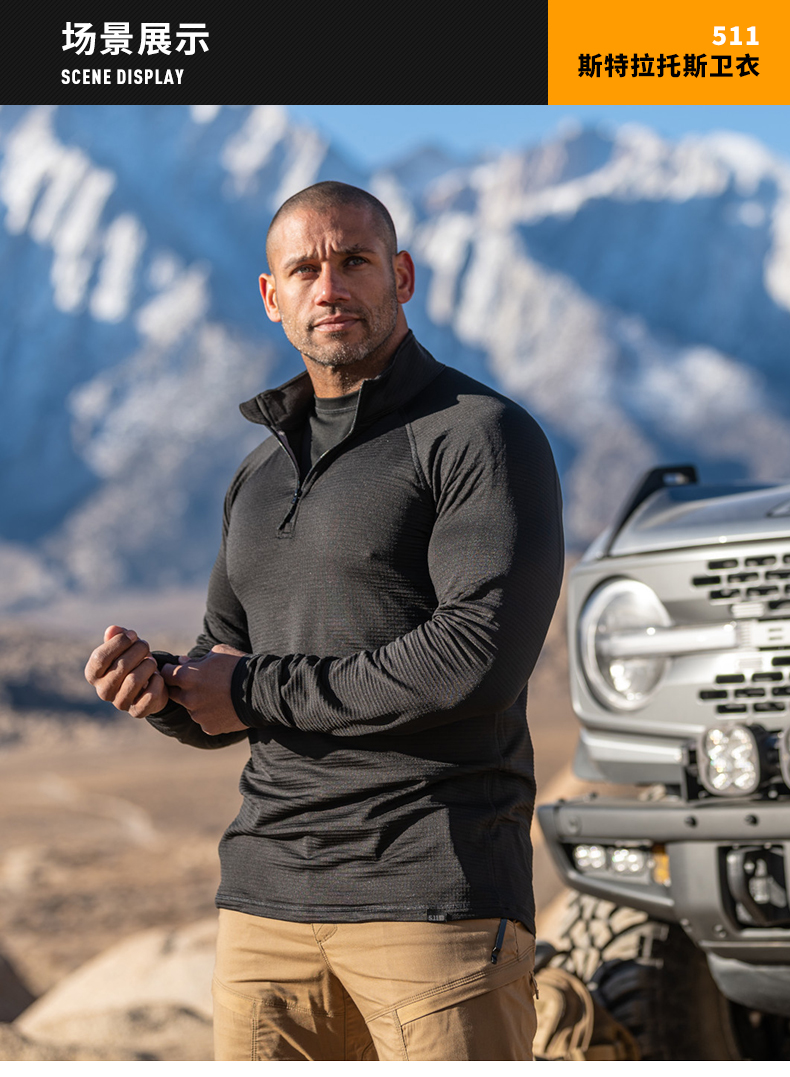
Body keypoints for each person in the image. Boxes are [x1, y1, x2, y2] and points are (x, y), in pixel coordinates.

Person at [84, 181, 564, 1061]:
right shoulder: (259, 474)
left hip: (432, 901)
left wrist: (250, 688)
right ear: (272, 297)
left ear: (402, 276)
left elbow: (475, 656)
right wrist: (161, 690)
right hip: (264, 908)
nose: (330, 286)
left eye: (354, 261)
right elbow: (229, 673)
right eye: (305, 270)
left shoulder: (479, 435)